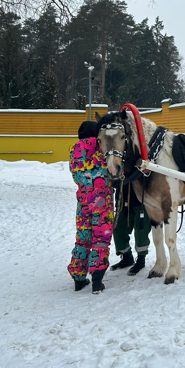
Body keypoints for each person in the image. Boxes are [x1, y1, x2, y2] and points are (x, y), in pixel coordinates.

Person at [68, 120, 114, 294]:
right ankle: (97, 280)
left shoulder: (74, 150)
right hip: (101, 201)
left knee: (83, 237)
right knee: (100, 238)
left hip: (83, 200)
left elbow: (74, 174)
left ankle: (79, 279)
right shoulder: (100, 147)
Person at [110, 182, 151, 275]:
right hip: (123, 197)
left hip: (142, 199)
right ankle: (126, 257)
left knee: (141, 230)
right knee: (118, 227)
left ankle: (141, 260)